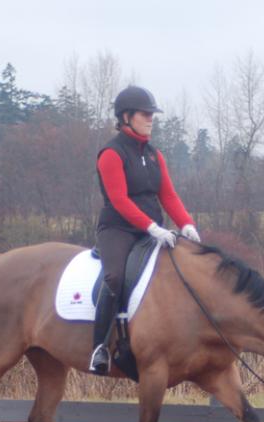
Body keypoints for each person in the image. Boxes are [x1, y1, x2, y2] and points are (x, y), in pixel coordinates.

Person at [89, 85, 201, 375]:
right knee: (113, 277)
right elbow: (119, 200)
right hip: (118, 230)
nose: (151, 119)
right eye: (145, 114)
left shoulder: (154, 155)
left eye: (152, 114)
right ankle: (99, 347)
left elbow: (168, 195)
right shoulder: (111, 154)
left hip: (153, 230)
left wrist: (187, 224)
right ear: (126, 117)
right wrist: (152, 227)